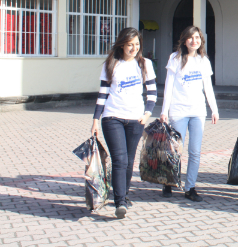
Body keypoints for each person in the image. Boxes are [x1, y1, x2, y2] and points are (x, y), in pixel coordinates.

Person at [90, 27, 157, 219]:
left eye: (137, 44)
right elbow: (102, 95)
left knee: (128, 160)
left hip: (136, 119)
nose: (134, 48)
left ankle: (123, 194)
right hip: (112, 117)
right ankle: (120, 201)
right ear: (122, 44)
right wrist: (95, 119)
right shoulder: (111, 64)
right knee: (119, 159)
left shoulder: (145, 64)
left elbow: (152, 92)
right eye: (130, 45)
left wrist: (147, 114)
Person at [160, 26, 219, 202]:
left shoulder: (203, 61)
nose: (194, 41)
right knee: (175, 150)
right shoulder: (175, 58)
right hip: (178, 111)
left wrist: (214, 109)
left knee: (195, 151)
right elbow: (168, 86)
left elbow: (208, 88)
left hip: (198, 112)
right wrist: (164, 111)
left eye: (197, 38)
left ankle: (190, 187)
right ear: (184, 40)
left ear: (201, 40)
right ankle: (169, 181)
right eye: (191, 38)